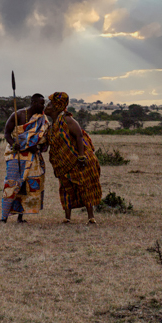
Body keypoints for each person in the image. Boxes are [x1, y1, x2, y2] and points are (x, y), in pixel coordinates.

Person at [44, 92, 102, 224]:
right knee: (65, 188)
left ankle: (91, 217)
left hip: (77, 159)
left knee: (84, 186)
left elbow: (79, 136)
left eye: (49, 104)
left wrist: (81, 157)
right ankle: (67, 217)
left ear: (56, 106)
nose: (46, 107)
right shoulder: (52, 124)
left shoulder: (67, 120)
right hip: (63, 163)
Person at [0, 93, 49, 223]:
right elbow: (7, 133)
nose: (43, 106)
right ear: (33, 102)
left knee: (26, 186)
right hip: (15, 154)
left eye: (43, 103)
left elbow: (44, 139)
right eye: (41, 103)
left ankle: (20, 216)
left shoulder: (42, 119)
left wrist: (36, 147)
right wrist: (13, 143)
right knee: (11, 183)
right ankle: (3, 217)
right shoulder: (18, 115)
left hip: (32, 156)